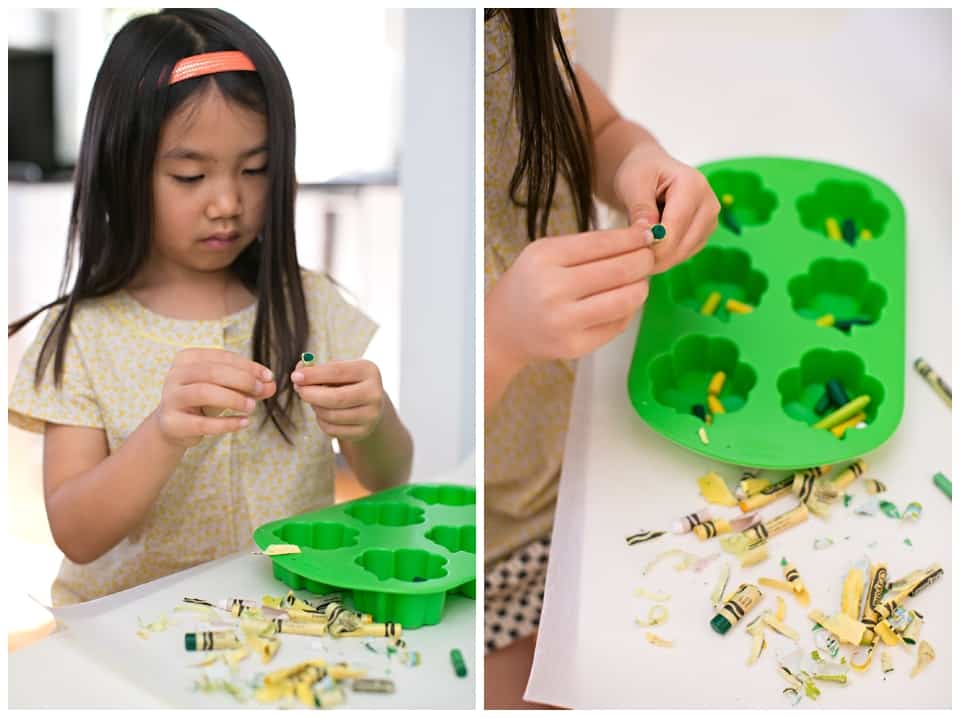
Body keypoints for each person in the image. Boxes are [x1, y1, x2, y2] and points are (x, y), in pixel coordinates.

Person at [7, 9, 413, 607]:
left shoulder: (310, 305)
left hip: (281, 627)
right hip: (131, 639)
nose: (228, 202)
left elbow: (388, 476)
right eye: (190, 175)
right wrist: (162, 434)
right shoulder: (82, 336)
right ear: (122, 172)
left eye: (255, 169)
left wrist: (373, 419)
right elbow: (76, 532)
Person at [483, 9, 720, 708]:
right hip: (488, 532)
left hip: (574, 460)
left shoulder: (520, 25)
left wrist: (636, 157)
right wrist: (500, 338)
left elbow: (592, 123)